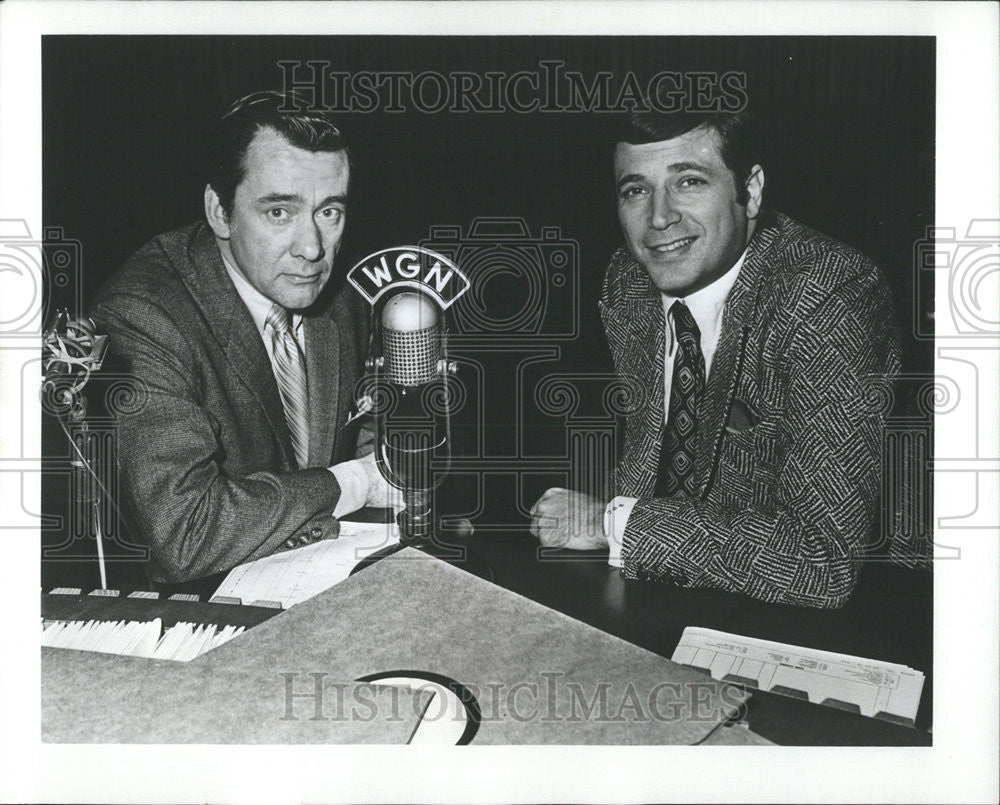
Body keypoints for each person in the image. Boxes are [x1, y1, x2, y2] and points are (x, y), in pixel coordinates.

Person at [529, 108, 901, 609]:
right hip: (686, 593)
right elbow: (649, 466)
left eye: (688, 181)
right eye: (636, 190)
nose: (659, 218)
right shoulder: (629, 281)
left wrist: (609, 523)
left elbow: (821, 563)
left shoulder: (828, 294)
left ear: (750, 192)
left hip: (867, 612)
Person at [92, 91, 398, 589]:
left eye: (330, 212)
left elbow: (374, 437)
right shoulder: (143, 316)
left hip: (325, 580)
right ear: (220, 211)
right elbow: (185, 534)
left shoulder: (343, 295)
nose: (312, 248)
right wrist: (358, 482)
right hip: (198, 615)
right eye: (279, 212)